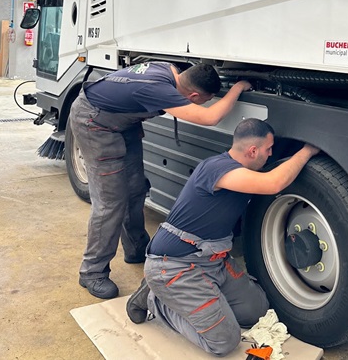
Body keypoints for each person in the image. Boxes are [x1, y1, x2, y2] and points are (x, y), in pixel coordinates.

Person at [125, 118, 320, 357]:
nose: (271, 155)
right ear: (253, 150)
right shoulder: (216, 168)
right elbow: (274, 183)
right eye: (268, 149)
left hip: (212, 262)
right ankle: (156, 300)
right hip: (175, 266)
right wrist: (308, 151)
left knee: (256, 311)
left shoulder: (241, 170)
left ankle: (184, 298)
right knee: (225, 341)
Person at [69, 61, 252, 299]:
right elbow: (210, 118)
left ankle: (135, 248)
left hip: (122, 123)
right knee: (110, 202)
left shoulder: (170, 71)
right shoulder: (159, 89)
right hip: (94, 123)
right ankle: (92, 271)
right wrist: (238, 87)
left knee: (135, 189)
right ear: (194, 95)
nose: (203, 103)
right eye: (204, 100)